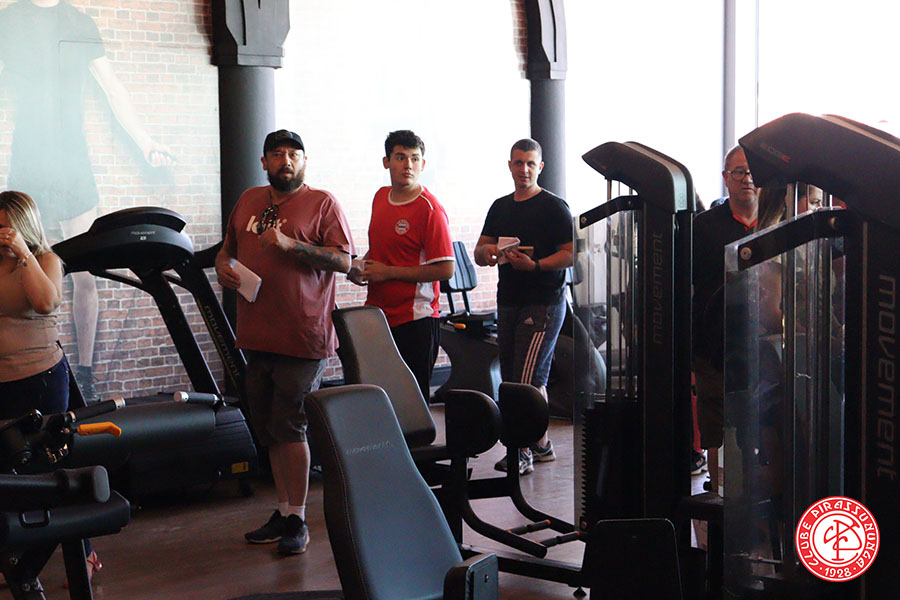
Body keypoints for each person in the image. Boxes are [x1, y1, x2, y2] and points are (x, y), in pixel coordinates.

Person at [0, 0, 174, 400]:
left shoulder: (78, 22)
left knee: (84, 278)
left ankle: (85, 370)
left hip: (72, 165)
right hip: (28, 164)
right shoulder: (8, 20)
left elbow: (113, 89)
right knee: (13, 266)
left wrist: (145, 142)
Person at [215, 129, 353, 555]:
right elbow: (226, 250)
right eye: (277, 154)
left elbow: (344, 260)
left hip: (303, 336)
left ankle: (299, 518)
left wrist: (292, 244)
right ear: (265, 162)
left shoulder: (322, 203)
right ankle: (283, 509)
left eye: (294, 154)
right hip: (257, 334)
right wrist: (222, 267)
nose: (286, 161)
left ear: (304, 162)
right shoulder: (249, 200)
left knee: (291, 425)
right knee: (270, 429)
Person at [0, 190, 102, 579]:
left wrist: (22, 253)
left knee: (53, 466)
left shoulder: (46, 260)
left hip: (40, 378)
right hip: (3, 381)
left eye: (5, 227)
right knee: (8, 471)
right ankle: (15, 558)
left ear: (22, 226)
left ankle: (84, 553)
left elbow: (45, 303)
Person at [474, 138, 573, 476]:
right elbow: (480, 250)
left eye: (530, 164)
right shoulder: (500, 207)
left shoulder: (554, 207)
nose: (524, 170)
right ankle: (541, 443)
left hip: (543, 302)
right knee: (519, 376)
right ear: (510, 165)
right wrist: (487, 254)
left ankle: (520, 451)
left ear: (540, 167)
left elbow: (571, 253)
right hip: (509, 300)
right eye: (519, 163)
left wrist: (537, 265)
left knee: (525, 381)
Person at [349, 130, 454, 402]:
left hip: (416, 320)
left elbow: (445, 269)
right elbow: (380, 249)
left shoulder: (430, 209)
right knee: (380, 399)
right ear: (386, 162)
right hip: (378, 317)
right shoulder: (380, 197)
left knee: (411, 405)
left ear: (423, 164)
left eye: (414, 159)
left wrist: (387, 273)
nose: (408, 165)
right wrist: (361, 268)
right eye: (400, 158)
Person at [692, 145, 759, 494]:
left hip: (763, 340)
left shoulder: (779, 220)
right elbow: (686, 283)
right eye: (738, 172)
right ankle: (717, 489)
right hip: (713, 341)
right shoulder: (703, 227)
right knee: (715, 415)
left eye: (751, 172)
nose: (746, 179)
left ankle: (755, 487)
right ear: (725, 178)